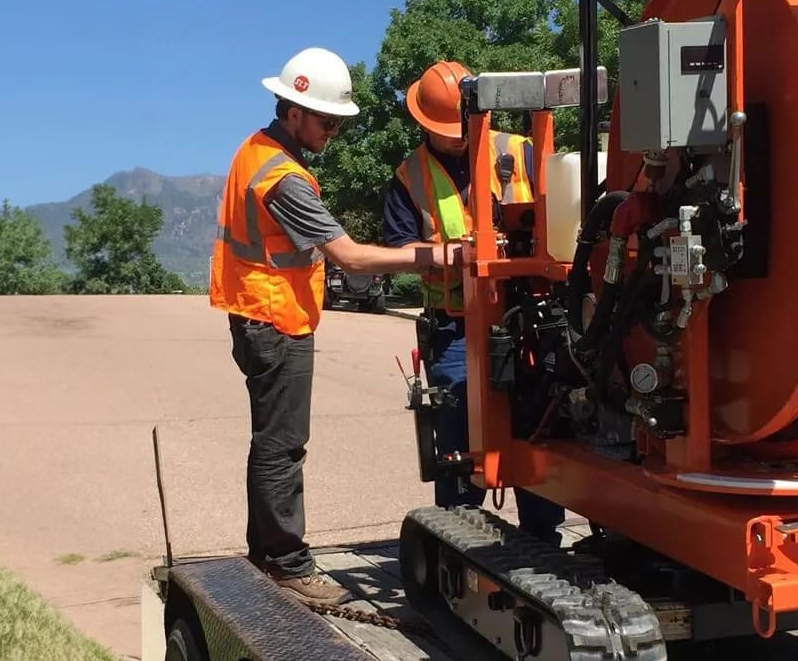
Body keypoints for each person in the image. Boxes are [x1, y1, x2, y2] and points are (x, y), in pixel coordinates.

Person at [211, 46, 461, 606]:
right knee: (283, 445)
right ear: (293, 110)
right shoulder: (284, 178)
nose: (333, 132)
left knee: (272, 442)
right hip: (273, 319)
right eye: (326, 120)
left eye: (338, 123)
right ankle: (286, 563)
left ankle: (268, 552)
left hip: (261, 313)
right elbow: (350, 258)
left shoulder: (259, 151)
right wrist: (432, 258)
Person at [381, 59, 566, 545]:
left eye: (464, 125)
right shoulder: (409, 177)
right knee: (461, 431)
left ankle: (541, 539)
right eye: (447, 130)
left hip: (528, 317)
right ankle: (460, 540)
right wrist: (454, 253)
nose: (459, 137)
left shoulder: (521, 150)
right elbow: (399, 250)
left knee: (537, 426)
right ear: (424, 124)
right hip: (457, 327)